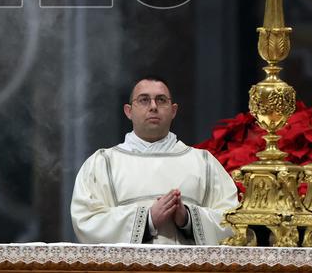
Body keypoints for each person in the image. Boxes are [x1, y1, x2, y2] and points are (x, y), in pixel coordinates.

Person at [70, 76, 239, 245]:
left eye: (161, 100)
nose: (153, 107)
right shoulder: (102, 163)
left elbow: (234, 222)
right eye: (144, 100)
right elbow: (86, 222)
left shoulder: (204, 163)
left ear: (173, 111)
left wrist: (188, 218)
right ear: (128, 111)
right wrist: (147, 219)